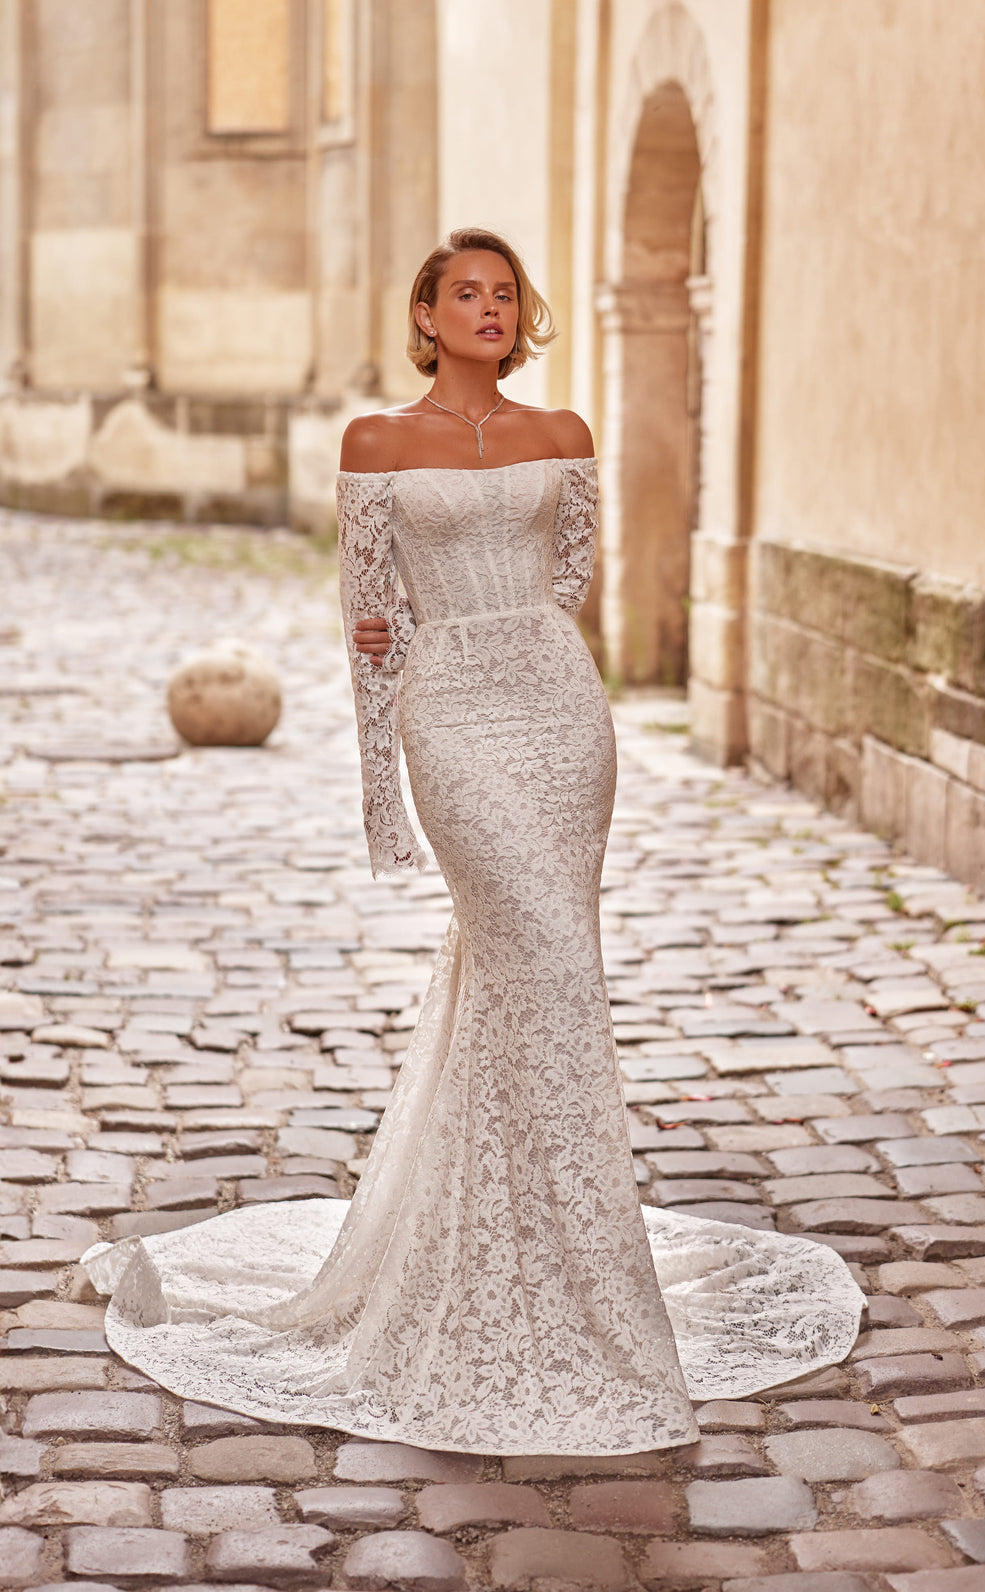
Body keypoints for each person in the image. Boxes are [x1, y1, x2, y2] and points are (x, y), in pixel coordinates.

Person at [82, 227, 863, 1455]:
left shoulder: (564, 433)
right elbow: (369, 622)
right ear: (428, 313)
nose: (489, 309)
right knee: (541, 956)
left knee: (551, 979)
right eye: (467, 293)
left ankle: (549, 1249)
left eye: (505, 295)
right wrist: (386, 785)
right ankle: (550, 1270)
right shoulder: (376, 445)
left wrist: (521, 659)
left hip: (559, 714)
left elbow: (567, 582)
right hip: (452, 718)